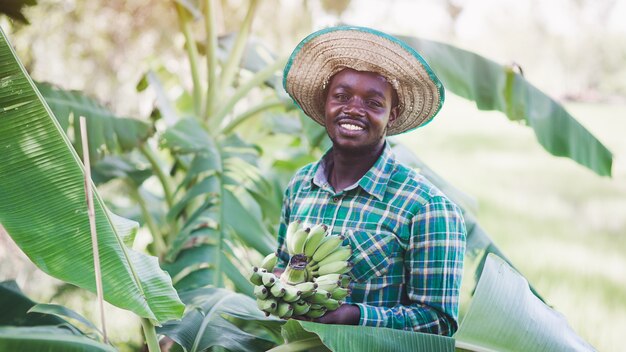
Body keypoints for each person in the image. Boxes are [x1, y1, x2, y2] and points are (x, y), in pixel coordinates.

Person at [274, 26, 466, 336]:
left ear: (392, 115)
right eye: (341, 96)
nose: (353, 109)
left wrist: (355, 316)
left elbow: (438, 322)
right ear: (326, 103)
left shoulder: (427, 208)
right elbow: (283, 263)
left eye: (373, 103)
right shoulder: (300, 185)